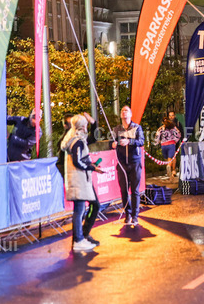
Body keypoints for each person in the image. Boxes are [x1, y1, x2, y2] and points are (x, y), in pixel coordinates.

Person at [62, 113, 104, 252]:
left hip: (79, 178)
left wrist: (94, 123)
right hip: (78, 179)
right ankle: (79, 239)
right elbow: (77, 161)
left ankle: (81, 237)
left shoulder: (75, 139)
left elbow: (93, 139)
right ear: (82, 126)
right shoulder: (77, 141)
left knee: (82, 210)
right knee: (80, 211)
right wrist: (91, 167)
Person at [111, 105, 145, 227]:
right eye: (122, 111)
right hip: (121, 164)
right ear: (121, 115)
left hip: (134, 162)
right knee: (124, 191)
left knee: (135, 191)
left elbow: (141, 141)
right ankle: (128, 214)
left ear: (130, 114)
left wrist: (129, 141)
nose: (124, 112)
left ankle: (135, 216)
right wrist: (113, 144)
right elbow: (111, 142)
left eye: (126, 111)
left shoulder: (137, 127)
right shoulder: (116, 129)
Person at [154, 115, 183, 180]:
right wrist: (175, 140)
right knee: (171, 157)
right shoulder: (173, 127)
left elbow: (157, 136)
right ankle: (169, 166)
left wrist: (157, 142)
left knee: (166, 158)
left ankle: (170, 170)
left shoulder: (160, 129)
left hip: (163, 145)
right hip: (171, 144)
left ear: (162, 122)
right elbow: (178, 134)